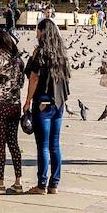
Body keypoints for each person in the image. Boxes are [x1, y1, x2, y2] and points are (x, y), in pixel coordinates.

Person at [23, 18, 71, 194]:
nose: (36, 34)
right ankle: (54, 184)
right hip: (59, 103)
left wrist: (28, 100)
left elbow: (33, 78)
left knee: (42, 146)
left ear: (43, 32)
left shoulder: (40, 52)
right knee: (55, 145)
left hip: (43, 102)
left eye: (38, 30)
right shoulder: (61, 53)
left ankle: (41, 184)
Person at [0, 30, 26, 194]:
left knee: (0, 145)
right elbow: (21, 83)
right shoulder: (18, 61)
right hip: (14, 105)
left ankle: (0, 183)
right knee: (14, 144)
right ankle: (18, 182)